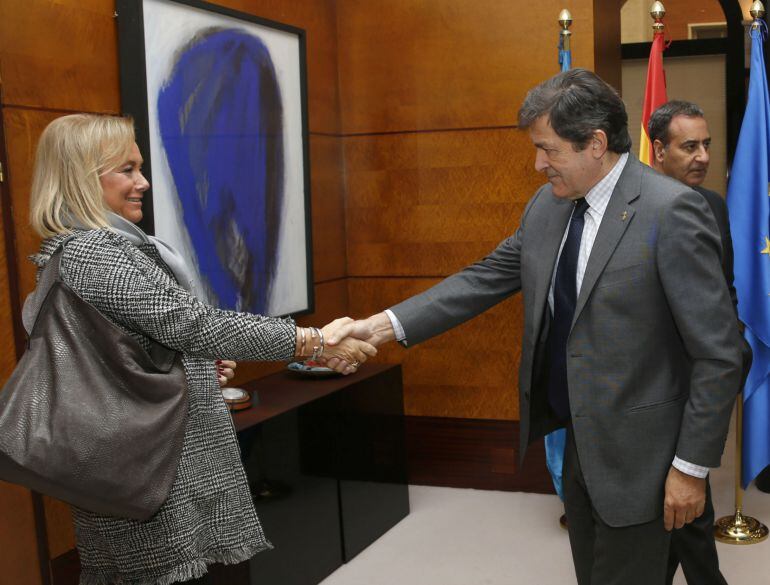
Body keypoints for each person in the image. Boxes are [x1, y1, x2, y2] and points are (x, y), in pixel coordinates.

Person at [328, 69, 743, 585]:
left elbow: (720, 353)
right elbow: (482, 278)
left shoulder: (671, 211)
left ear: (595, 143)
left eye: (548, 150)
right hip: (579, 446)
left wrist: (690, 467)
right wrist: (380, 327)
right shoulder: (547, 207)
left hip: (648, 459)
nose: (537, 163)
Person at [27, 113, 375, 585]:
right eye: (126, 170)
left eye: (140, 168)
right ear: (82, 178)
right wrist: (311, 340)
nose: (143, 182)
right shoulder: (94, 251)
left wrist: (191, 367)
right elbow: (192, 325)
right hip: (143, 468)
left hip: (146, 455)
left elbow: (126, 346)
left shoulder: (109, 247)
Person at [648, 100, 750, 585]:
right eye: (689, 146)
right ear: (658, 149)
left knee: (686, 495)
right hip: (649, 384)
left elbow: (723, 289)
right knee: (683, 500)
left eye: (707, 145)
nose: (703, 156)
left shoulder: (712, 205)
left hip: (700, 379)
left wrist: (733, 350)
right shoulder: (636, 207)